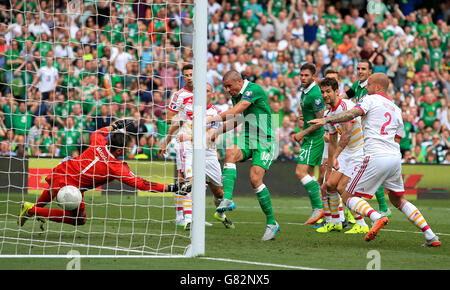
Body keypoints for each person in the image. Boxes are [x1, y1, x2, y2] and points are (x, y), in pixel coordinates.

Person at [308, 73, 441, 247]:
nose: (365, 88)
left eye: (368, 84)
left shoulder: (370, 99)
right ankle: (431, 236)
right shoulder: (396, 109)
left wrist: (326, 119)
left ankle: (377, 217)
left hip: (374, 155)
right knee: (398, 200)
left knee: (347, 194)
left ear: (378, 87)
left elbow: (351, 114)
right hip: (394, 158)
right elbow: (398, 138)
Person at [18, 119, 191, 228]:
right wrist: (173, 187)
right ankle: (33, 211)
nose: (130, 149)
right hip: (69, 185)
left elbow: (100, 131)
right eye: (128, 147)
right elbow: (142, 184)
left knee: (52, 190)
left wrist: (115, 125)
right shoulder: (116, 167)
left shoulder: (98, 141)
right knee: (79, 220)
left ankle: (35, 209)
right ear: (119, 150)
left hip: (61, 170)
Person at [206, 70, 279, 241]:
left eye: (229, 86)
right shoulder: (237, 95)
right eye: (225, 87)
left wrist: (209, 120)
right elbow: (237, 120)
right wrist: (217, 131)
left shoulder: (254, 89)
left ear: (239, 82)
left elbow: (237, 110)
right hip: (247, 137)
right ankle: (227, 200)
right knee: (230, 151)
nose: (227, 90)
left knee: (255, 179)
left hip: (265, 140)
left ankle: (271, 223)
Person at [175, 83, 234, 230]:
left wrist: (215, 134)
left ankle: (220, 214)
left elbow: (232, 123)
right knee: (190, 183)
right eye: (201, 90)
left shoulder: (217, 112)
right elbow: (178, 126)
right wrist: (177, 136)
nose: (204, 93)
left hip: (209, 154)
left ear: (212, 94)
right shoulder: (189, 109)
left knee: (219, 192)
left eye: (207, 91)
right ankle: (188, 219)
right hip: (191, 151)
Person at [316, 77, 369, 234]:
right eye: (323, 92)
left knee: (342, 187)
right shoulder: (328, 113)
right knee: (329, 185)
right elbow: (333, 138)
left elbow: (345, 137)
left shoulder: (345, 106)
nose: (325, 95)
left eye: (328, 92)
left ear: (336, 92)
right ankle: (336, 222)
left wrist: (334, 158)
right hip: (346, 152)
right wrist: (330, 159)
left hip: (359, 150)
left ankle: (362, 223)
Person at [344, 60, 391, 218]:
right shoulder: (357, 85)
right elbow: (345, 97)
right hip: (361, 132)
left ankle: (377, 208)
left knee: (370, 171)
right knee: (370, 171)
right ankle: (380, 208)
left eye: (363, 69)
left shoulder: (371, 91)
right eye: (358, 68)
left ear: (370, 71)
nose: (360, 71)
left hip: (369, 134)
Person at [159, 64, 194, 227]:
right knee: (183, 178)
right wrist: (182, 120)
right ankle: (181, 215)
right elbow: (168, 118)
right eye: (186, 75)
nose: (189, 77)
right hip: (184, 141)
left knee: (194, 178)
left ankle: (192, 214)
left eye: (191, 74)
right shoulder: (179, 95)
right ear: (183, 77)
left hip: (200, 140)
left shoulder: (204, 92)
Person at [292, 63, 325, 225]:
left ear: (313, 76)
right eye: (301, 75)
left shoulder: (315, 94)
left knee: (300, 172)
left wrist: (302, 133)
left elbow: (320, 121)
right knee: (311, 175)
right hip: (309, 137)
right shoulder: (304, 92)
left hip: (314, 138)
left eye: (306, 75)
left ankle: (319, 207)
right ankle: (319, 211)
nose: (303, 78)